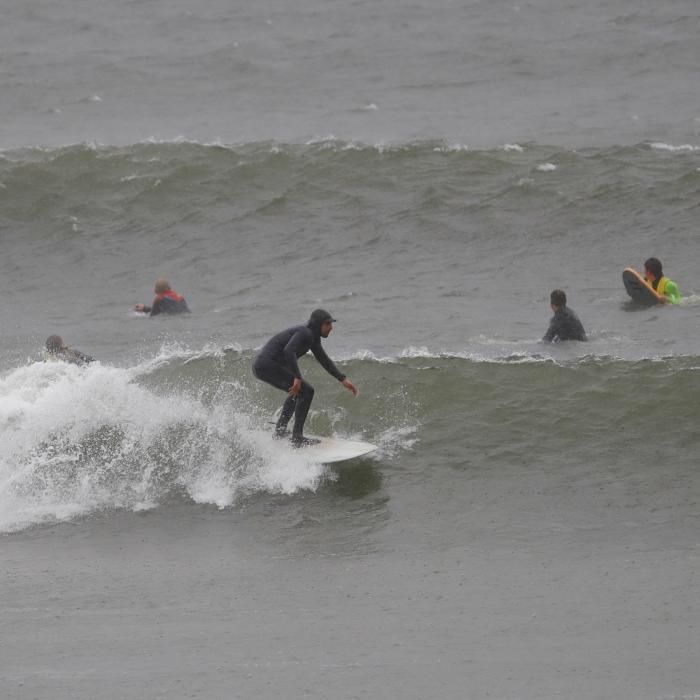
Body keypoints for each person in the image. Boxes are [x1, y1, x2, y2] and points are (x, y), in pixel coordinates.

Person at [252, 309, 358, 447]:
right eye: (327, 324)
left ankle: (280, 431)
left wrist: (342, 379)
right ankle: (297, 437)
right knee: (306, 391)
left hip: (264, 365)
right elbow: (289, 351)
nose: (331, 327)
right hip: (266, 364)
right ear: (318, 324)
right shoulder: (305, 333)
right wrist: (297, 377)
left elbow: (323, 359)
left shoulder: (312, 337)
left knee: (297, 391)